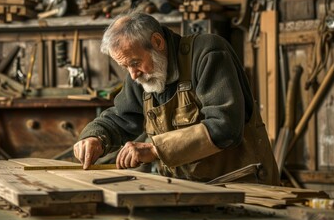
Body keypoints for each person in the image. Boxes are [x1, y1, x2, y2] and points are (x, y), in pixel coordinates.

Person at [73, 11, 280, 185]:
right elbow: (120, 117)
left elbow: (226, 127)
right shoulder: (141, 76)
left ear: (157, 42)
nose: (133, 74)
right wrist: (95, 137)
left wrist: (156, 148)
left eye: (135, 63)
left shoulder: (207, 52)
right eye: (125, 66)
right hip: (190, 190)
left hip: (244, 187)